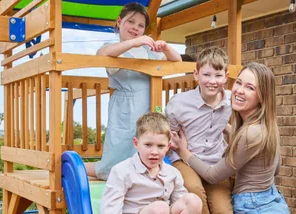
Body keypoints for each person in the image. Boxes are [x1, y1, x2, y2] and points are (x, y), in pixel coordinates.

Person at [174, 62, 290, 214]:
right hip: (273, 200)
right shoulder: (268, 126)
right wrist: (223, 127)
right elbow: (275, 168)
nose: (240, 90)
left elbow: (213, 176)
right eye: (239, 83)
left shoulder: (250, 134)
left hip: (253, 206)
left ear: (262, 97)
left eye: (250, 88)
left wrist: (184, 153)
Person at [85, 2, 182, 180]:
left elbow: (177, 60)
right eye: (131, 22)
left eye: (140, 26)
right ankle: (78, 168)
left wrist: (166, 48)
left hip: (148, 106)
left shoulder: (148, 51)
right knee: (117, 156)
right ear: (119, 21)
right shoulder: (114, 48)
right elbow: (102, 55)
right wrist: (133, 42)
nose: (135, 28)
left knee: (144, 149)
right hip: (125, 108)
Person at [165, 47, 233, 214]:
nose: (212, 81)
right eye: (206, 75)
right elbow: (170, 135)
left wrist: (231, 130)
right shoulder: (179, 104)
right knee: (194, 190)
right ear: (196, 75)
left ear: (226, 76)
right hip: (184, 157)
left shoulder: (232, 100)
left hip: (215, 161)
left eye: (218, 75)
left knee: (223, 209)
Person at [100, 112, 202, 214]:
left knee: (193, 201)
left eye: (161, 146)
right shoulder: (121, 171)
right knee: (160, 208)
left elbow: (179, 203)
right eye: (148, 145)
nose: (154, 152)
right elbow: (110, 209)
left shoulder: (173, 173)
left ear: (168, 146)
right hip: (145, 211)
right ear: (136, 143)